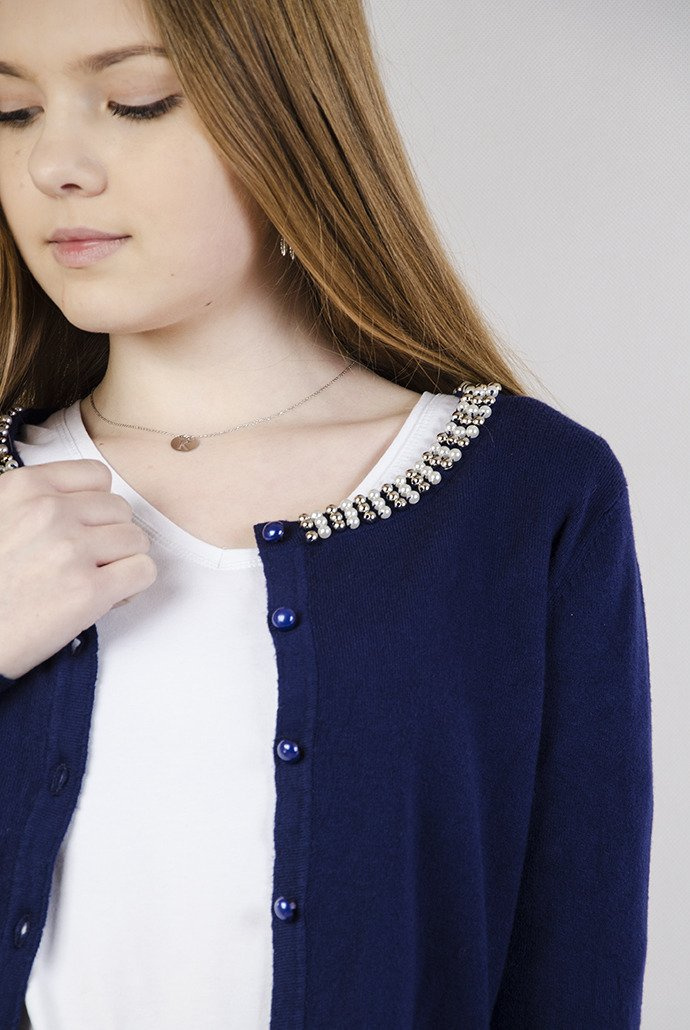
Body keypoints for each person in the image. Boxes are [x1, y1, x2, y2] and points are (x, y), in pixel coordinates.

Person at [0, 1, 653, 1028]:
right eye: (11, 112)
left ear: (289, 113)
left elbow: (575, 960)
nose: (53, 165)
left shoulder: (529, 495)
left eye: (137, 100)